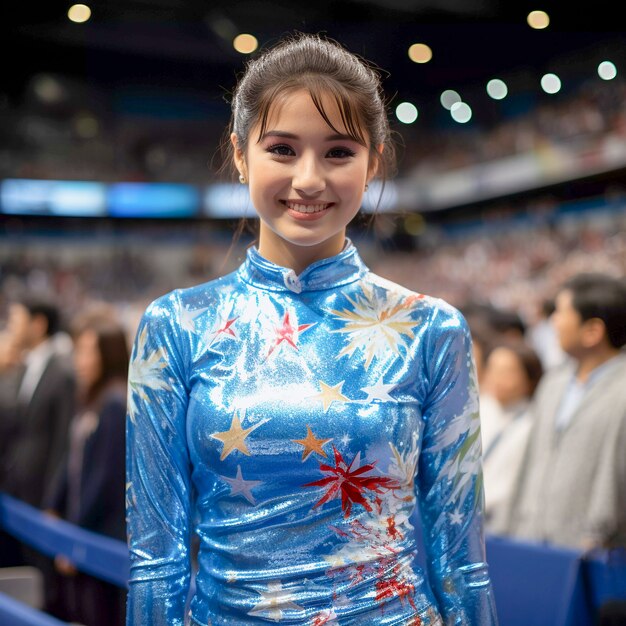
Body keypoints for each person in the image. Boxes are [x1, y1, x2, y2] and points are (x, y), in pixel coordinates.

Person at [126, 32, 498, 625]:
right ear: (241, 154)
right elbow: (155, 560)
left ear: (374, 160)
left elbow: (461, 559)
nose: (308, 179)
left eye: (338, 152)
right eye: (282, 148)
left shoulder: (431, 330)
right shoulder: (175, 326)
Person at [506, 272, 626, 550]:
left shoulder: (621, 391)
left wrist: (597, 537)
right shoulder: (554, 382)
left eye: (561, 313)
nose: (554, 322)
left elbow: (613, 475)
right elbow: (530, 462)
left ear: (592, 331)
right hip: (532, 541)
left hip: (588, 554)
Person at [45, 310, 129, 626]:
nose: (80, 360)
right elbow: (73, 462)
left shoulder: (114, 404)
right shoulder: (92, 399)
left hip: (102, 538)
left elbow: (103, 480)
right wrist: (54, 505)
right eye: (78, 350)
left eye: (88, 352)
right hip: (87, 532)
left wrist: (72, 537)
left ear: (107, 355)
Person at [478, 340, 543, 535]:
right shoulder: (478, 409)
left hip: (499, 522)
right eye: (493, 369)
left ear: (529, 379)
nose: (498, 378)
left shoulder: (533, 423)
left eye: (508, 372)